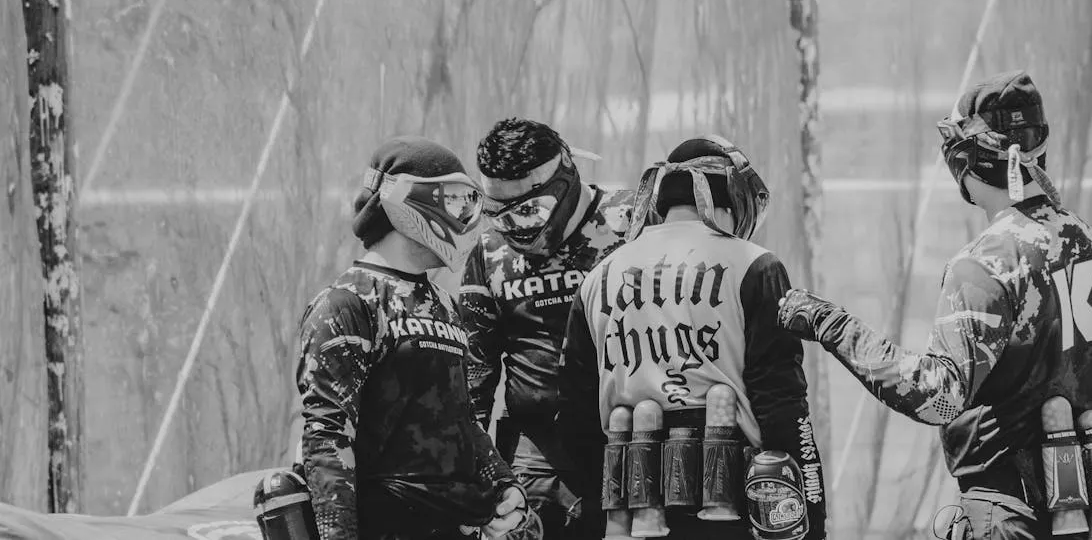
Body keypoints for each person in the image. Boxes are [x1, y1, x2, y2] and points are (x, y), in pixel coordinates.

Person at [777, 71, 1092, 539]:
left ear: (972, 155)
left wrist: (832, 325)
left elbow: (936, 396)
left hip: (1010, 514)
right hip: (1090, 510)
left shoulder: (986, 263)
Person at [557, 135, 829, 540]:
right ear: (736, 198)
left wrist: (606, 505)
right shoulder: (753, 264)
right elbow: (782, 400)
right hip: (729, 500)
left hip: (629, 503)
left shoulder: (600, 275)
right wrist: (811, 512)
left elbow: (573, 411)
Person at [295, 136, 532, 540]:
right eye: (454, 199)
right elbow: (328, 438)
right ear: (405, 197)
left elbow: (461, 421)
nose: (467, 216)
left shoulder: (443, 302)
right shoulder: (347, 304)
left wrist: (505, 486)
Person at [459, 118, 635, 539]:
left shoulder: (634, 221)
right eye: (496, 213)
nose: (515, 229)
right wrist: (469, 475)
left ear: (567, 175)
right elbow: (473, 377)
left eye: (527, 210)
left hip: (638, 436)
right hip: (539, 454)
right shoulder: (488, 254)